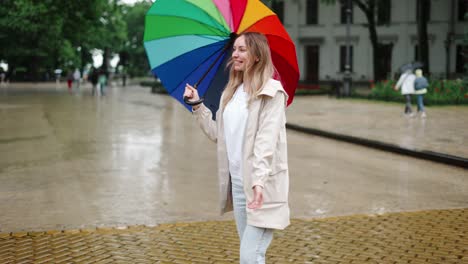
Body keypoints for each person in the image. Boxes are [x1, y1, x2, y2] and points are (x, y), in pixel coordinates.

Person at [184, 32, 290, 264]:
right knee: (252, 254)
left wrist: (259, 181)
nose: (235, 54)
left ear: (257, 56)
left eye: (242, 49)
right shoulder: (231, 93)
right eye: (234, 49)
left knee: (250, 256)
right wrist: (197, 105)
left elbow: (266, 142)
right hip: (240, 186)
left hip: (262, 187)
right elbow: (218, 135)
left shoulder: (272, 93)